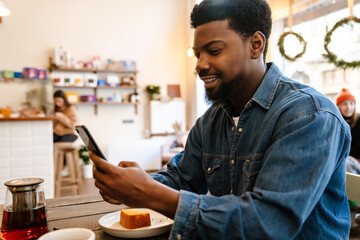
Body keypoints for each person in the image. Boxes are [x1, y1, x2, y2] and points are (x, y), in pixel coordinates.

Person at [90, 0, 351, 239]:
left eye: (213, 51)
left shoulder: (308, 115)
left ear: (256, 45)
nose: (200, 65)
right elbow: (182, 179)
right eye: (197, 54)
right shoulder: (210, 122)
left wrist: (148, 193)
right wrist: (130, 184)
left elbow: (270, 223)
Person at [336, 88, 360, 174]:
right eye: (344, 104)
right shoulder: (336, 122)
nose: (348, 107)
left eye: (351, 104)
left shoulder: (359, 120)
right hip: (342, 160)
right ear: (338, 106)